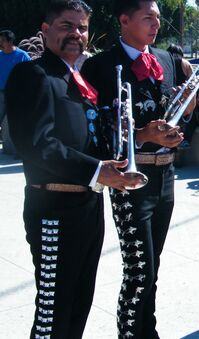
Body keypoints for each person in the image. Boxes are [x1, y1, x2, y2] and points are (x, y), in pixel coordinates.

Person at [4, 1, 143, 337]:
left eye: (82, 28)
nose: (76, 34)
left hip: (87, 206)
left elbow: (88, 138)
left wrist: (120, 155)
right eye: (67, 26)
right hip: (53, 210)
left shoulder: (76, 78)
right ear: (46, 30)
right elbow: (38, 144)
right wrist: (98, 170)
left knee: (80, 303)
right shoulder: (32, 74)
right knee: (54, 312)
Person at [81, 1, 195, 337]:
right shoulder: (100, 66)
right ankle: (130, 333)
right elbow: (97, 127)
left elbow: (174, 111)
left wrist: (181, 120)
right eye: (148, 17)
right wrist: (143, 135)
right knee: (138, 269)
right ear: (124, 20)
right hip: (129, 177)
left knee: (153, 266)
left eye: (158, 18)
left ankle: (149, 329)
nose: (156, 24)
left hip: (166, 174)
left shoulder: (164, 59)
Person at [0, 29, 31, 155]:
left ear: (10, 41)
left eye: (2, 41)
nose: (0, 43)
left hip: (17, 94)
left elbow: (31, 74)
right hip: (0, 93)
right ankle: (7, 149)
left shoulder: (22, 56)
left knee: (11, 122)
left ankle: (17, 150)